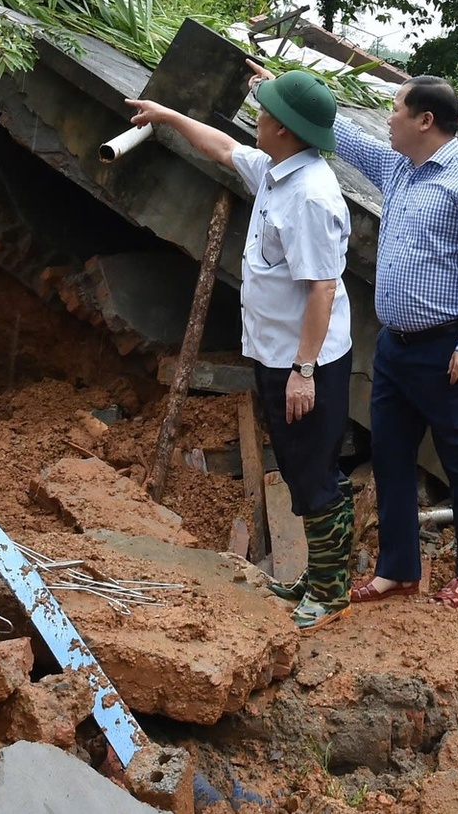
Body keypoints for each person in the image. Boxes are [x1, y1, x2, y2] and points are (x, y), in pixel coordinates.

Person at [125, 68, 357, 629]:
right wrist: (167, 117)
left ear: (283, 128)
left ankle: (331, 592)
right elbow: (226, 148)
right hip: (278, 353)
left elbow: (322, 288)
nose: (256, 115)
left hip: (306, 362)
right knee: (305, 466)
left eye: (264, 110)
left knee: (311, 472)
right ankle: (324, 578)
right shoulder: (280, 172)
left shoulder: (309, 196)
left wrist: (303, 370)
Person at [320, 72, 458, 609]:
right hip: (395, 347)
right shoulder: (400, 168)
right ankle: (398, 569)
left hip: (444, 349)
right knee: (390, 457)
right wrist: (292, 94)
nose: (388, 118)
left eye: (396, 109)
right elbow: (350, 143)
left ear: (425, 120)